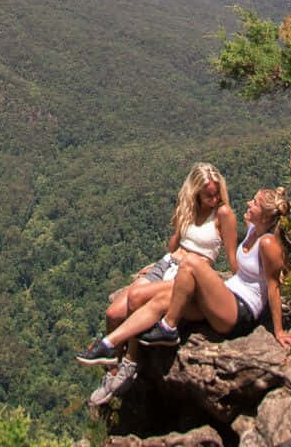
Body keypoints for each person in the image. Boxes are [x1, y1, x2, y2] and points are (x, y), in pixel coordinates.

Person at [76, 163, 237, 406]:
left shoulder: (223, 214)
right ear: (194, 192)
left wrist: (238, 285)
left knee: (136, 297)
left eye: (217, 193)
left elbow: (232, 258)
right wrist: (158, 263)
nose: (214, 199)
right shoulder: (189, 209)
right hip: (167, 265)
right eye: (208, 195)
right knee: (112, 313)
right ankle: (111, 374)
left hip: (187, 276)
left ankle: (129, 364)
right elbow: (175, 245)